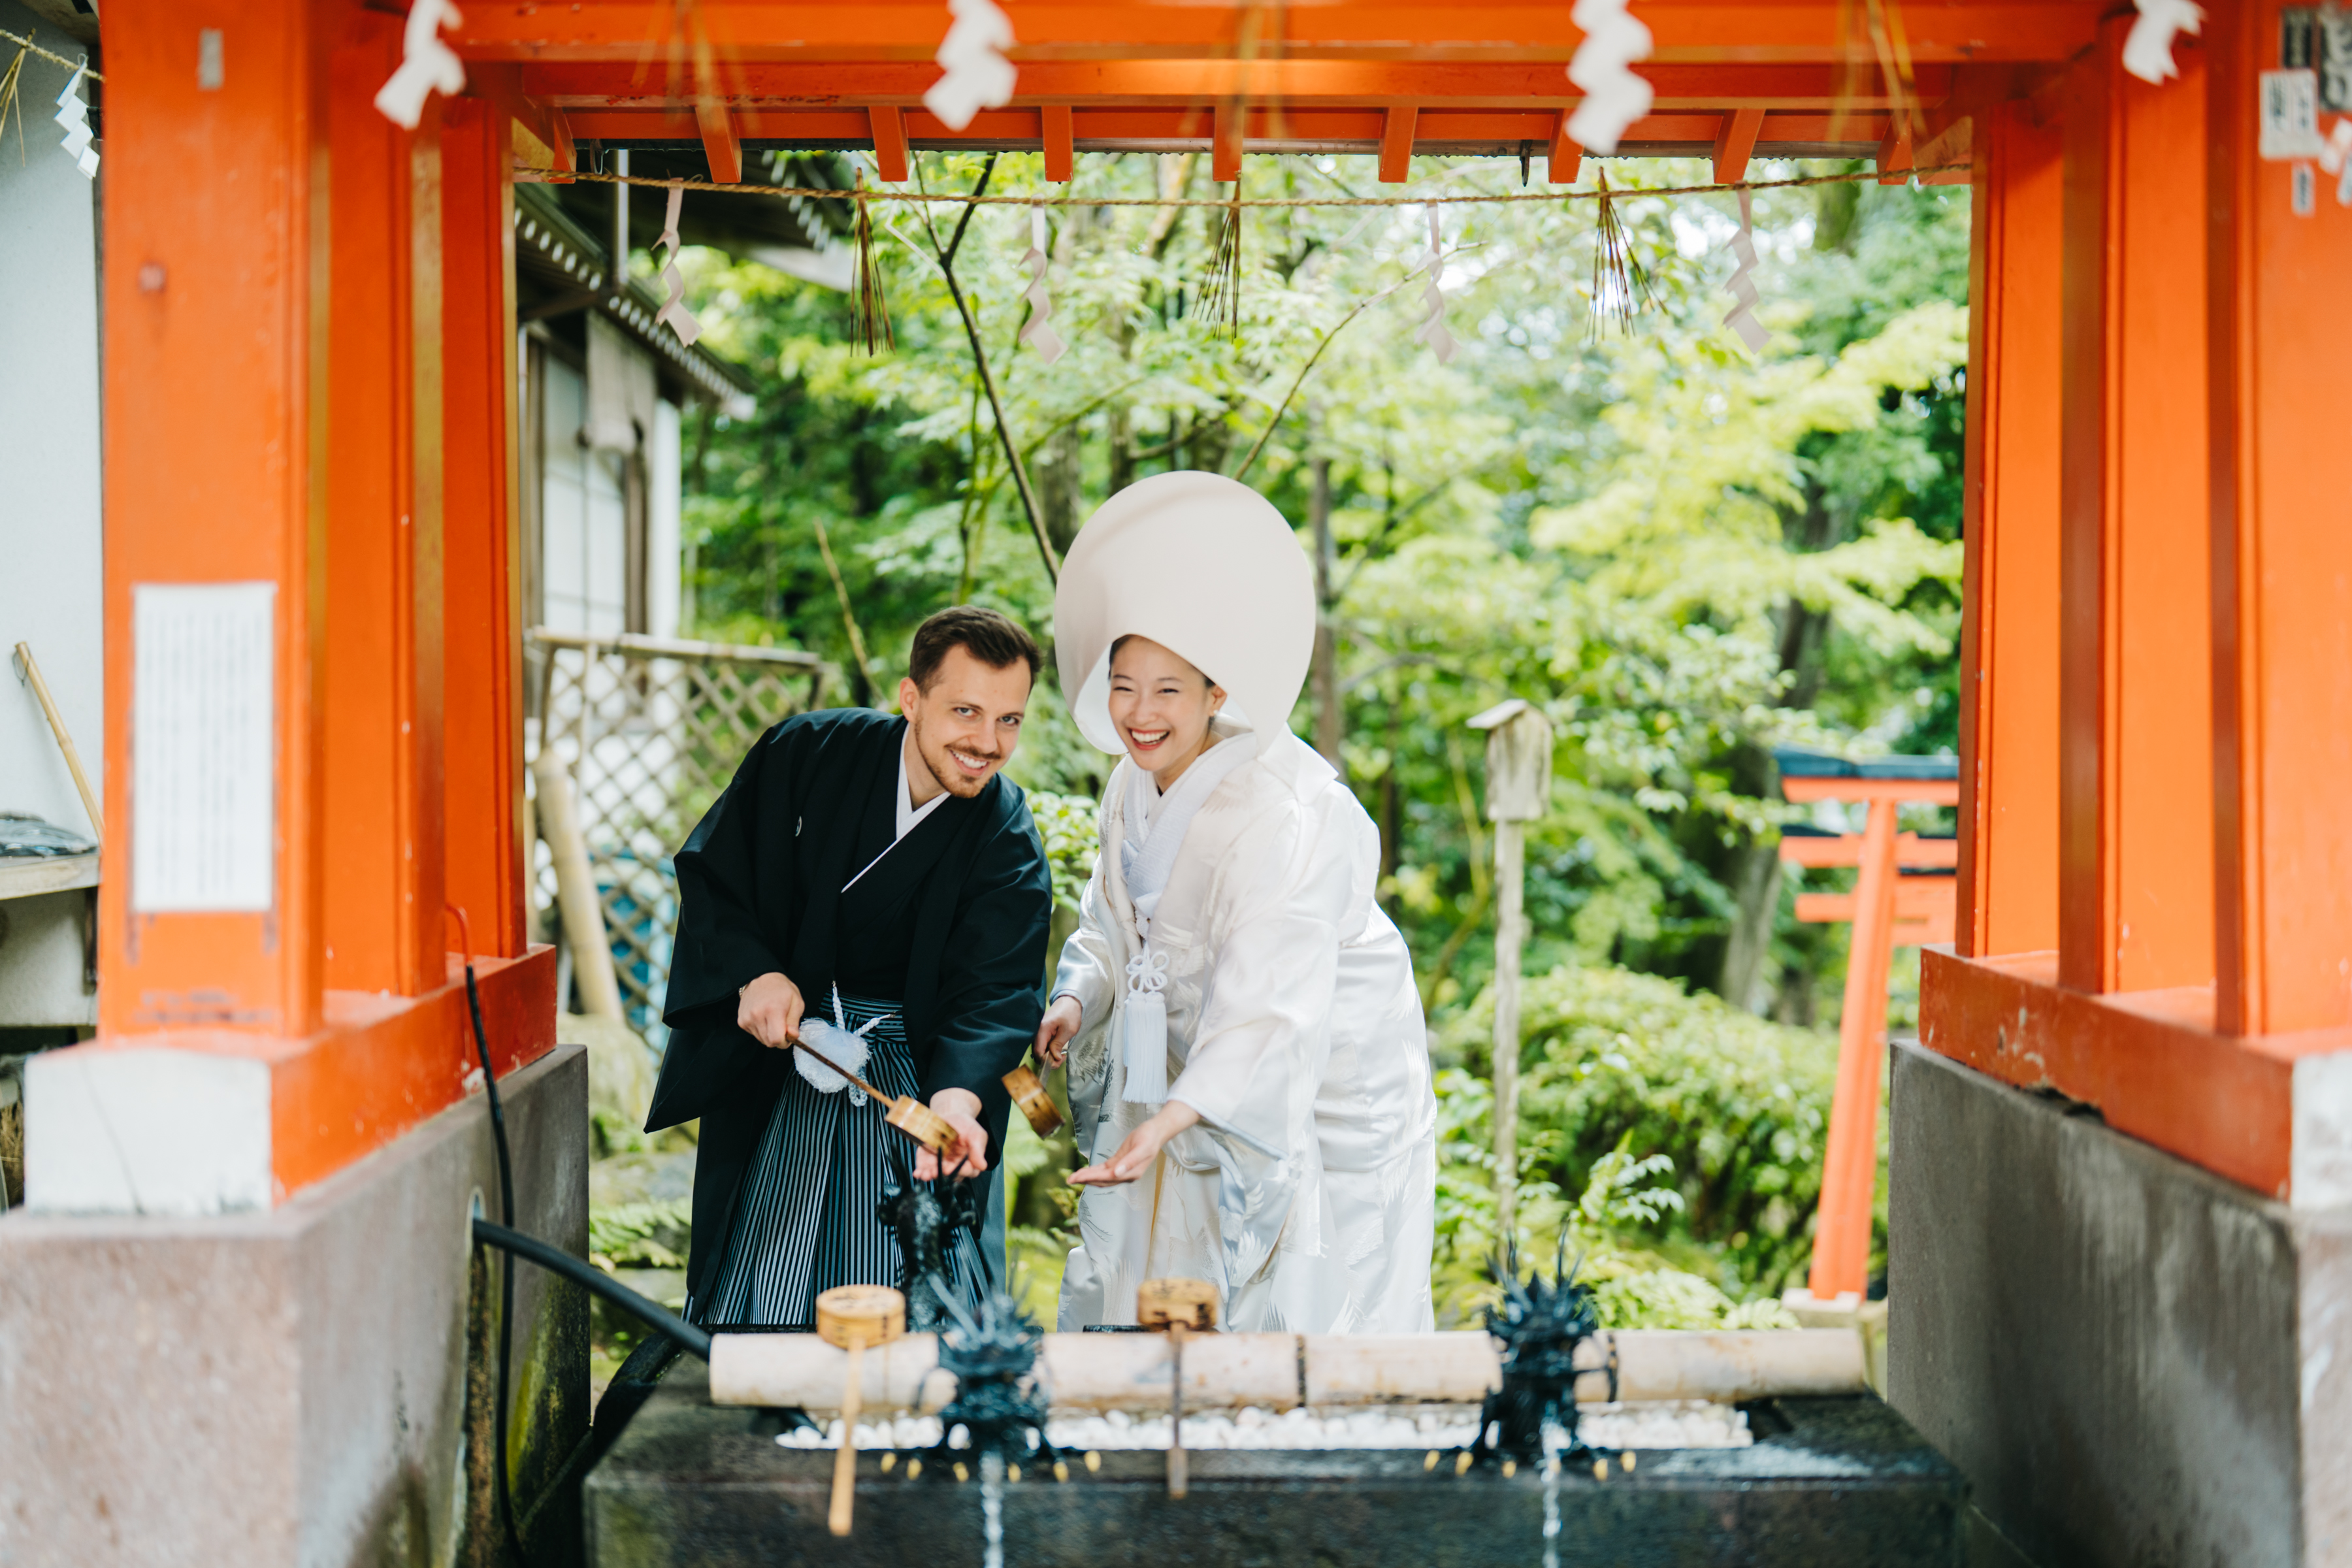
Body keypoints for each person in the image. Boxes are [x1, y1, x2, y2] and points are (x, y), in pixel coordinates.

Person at [1037, 471, 1437, 1333]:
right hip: (1187, 1056)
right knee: (1155, 1234)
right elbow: (1111, 923)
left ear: (1217, 695)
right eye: (1123, 686)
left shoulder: (1279, 813)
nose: (1140, 714)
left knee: (1316, 1287)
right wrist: (1077, 997)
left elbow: (1271, 999)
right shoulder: (1129, 785)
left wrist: (1182, 1113)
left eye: (1168, 691)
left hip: (1316, 1071)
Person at [649, 606, 1054, 1328]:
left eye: (1009, 721)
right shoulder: (808, 754)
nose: (987, 743)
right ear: (911, 698)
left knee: (915, 1277)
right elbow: (718, 872)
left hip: (917, 1075)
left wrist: (958, 1100)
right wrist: (754, 973)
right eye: (965, 711)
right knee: (760, 1282)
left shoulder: (1005, 836)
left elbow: (995, 992)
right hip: (792, 1052)